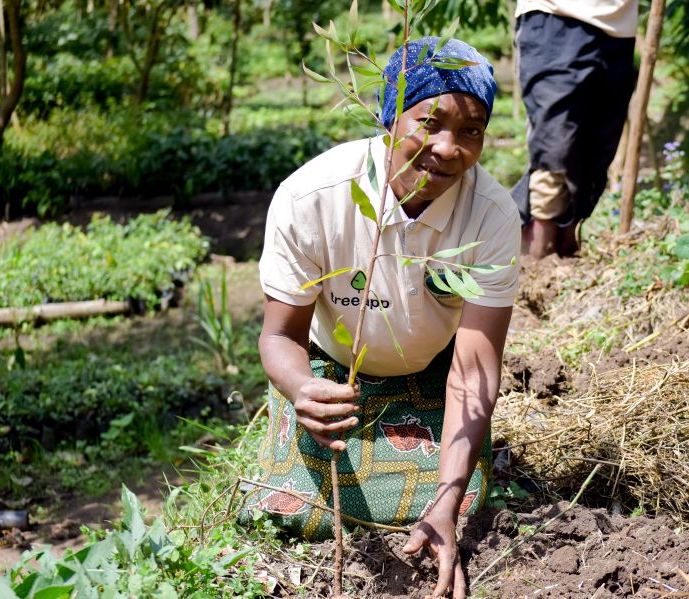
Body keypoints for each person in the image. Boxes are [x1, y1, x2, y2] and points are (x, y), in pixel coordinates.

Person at [255, 37, 520, 598]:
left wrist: (445, 503)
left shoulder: (491, 218)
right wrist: (303, 388)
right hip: (333, 373)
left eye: (471, 130)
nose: (448, 148)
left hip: (431, 374)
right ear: (389, 117)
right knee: (293, 511)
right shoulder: (312, 198)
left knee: (459, 502)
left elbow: (473, 372)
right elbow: (280, 336)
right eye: (430, 121)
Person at [512, 0, 637, 258]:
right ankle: (536, 258)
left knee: (597, 153)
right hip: (554, 17)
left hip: (619, 27)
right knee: (555, 147)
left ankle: (565, 250)